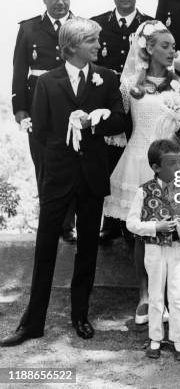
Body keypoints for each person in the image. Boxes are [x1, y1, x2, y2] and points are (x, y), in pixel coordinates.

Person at [1, 18, 126, 347]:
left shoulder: (107, 78)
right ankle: (33, 322)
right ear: (71, 47)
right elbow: (40, 131)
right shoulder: (48, 82)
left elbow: (121, 118)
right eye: (91, 41)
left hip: (92, 177)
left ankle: (80, 316)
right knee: (45, 249)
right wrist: (51, 170)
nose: (98, 46)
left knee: (87, 248)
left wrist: (96, 119)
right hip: (57, 176)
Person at [103, 20, 180, 324]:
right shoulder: (130, 83)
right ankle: (144, 295)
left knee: (172, 230)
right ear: (149, 48)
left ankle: (170, 296)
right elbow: (120, 126)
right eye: (166, 46)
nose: (172, 52)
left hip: (170, 164)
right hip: (137, 159)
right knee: (139, 234)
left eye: (174, 47)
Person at [12, 0, 77, 243]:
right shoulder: (29, 28)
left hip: (71, 107)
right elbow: (19, 71)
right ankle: (49, 223)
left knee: (71, 164)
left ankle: (68, 223)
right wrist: (20, 110)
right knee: (44, 165)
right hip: (38, 106)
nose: (60, 2)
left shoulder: (79, 25)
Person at [91, 0, 152, 244]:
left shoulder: (151, 25)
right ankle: (111, 221)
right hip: (108, 100)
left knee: (137, 158)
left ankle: (134, 220)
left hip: (139, 99)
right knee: (109, 160)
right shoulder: (97, 24)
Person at [126, 139, 180, 361]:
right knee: (156, 296)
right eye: (172, 164)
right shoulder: (144, 191)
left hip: (177, 249)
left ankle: (178, 339)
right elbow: (131, 223)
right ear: (157, 167)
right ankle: (155, 338)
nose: (178, 169)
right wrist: (155, 227)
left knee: (177, 296)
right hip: (154, 250)